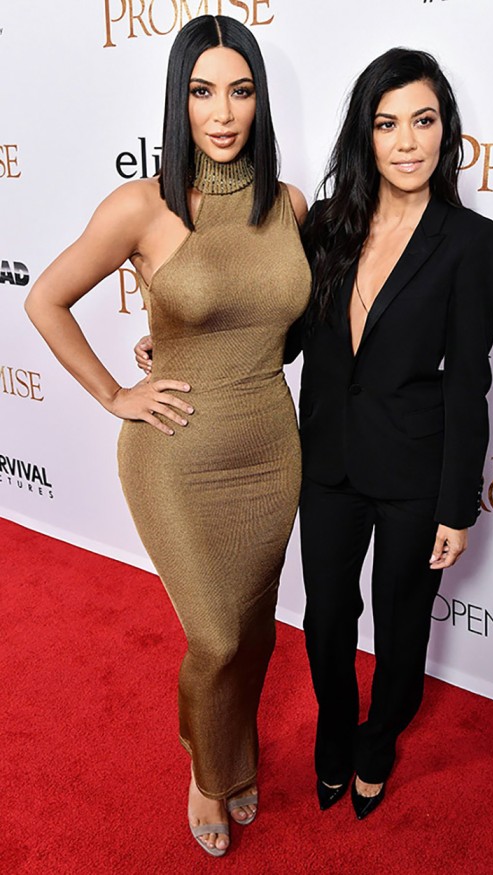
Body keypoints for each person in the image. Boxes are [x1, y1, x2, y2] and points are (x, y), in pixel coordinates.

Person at [25, 15, 310, 858]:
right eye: (201, 91)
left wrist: (193, 333)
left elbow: (284, 325)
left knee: (254, 629)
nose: (221, 113)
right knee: (216, 634)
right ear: (176, 100)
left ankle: (234, 753)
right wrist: (116, 389)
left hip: (269, 445)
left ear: (259, 101)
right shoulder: (140, 205)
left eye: (240, 90)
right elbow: (44, 299)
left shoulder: (290, 205)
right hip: (177, 452)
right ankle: (205, 769)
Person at [293, 47, 493, 819]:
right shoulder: (325, 225)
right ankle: (332, 733)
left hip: (416, 472)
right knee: (323, 622)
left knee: (401, 626)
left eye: (423, 120)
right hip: (326, 463)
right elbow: (283, 335)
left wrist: (457, 504)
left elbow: (468, 380)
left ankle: (377, 741)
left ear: (445, 131)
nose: (407, 141)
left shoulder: (469, 241)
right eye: (388, 124)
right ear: (365, 135)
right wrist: (181, 339)